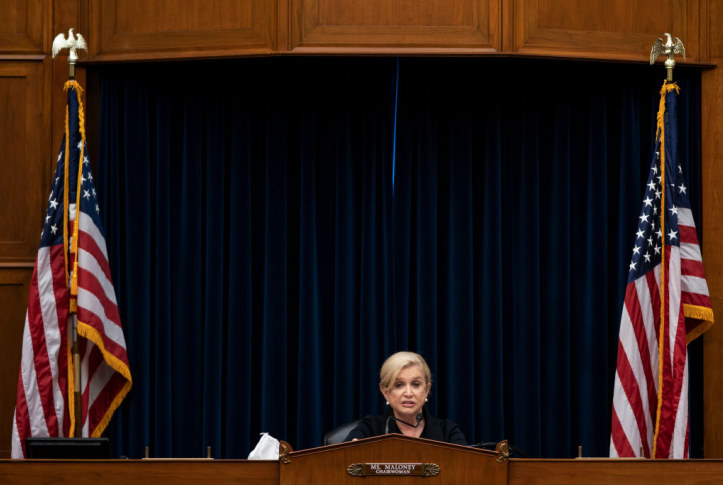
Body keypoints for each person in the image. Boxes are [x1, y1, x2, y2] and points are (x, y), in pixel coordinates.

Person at [344, 351, 467, 445]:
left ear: (426, 390)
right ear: (385, 391)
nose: (408, 393)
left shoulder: (448, 432)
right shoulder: (369, 429)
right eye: (399, 385)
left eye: (415, 384)